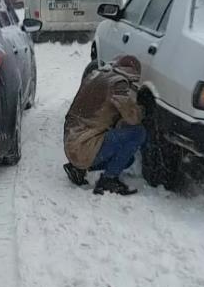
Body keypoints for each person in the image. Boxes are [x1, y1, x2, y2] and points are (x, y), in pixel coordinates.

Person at [63, 55, 146, 195]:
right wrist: (143, 110)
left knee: (128, 160)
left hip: (71, 142)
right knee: (138, 132)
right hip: (84, 147)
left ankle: (79, 169)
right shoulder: (119, 84)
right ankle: (108, 180)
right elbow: (132, 118)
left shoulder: (97, 75)